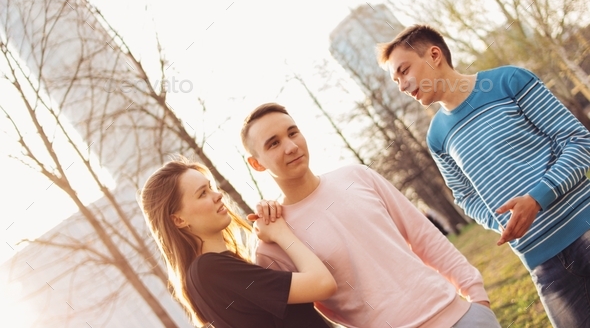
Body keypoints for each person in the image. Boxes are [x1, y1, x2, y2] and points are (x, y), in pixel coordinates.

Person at [377, 24, 590, 327]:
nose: (401, 85)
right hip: (543, 265)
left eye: (404, 70)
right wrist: (503, 221)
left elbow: (577, 141)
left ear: (434, 55)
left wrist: (537, 199)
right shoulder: (437, 137)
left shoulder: (509, 81)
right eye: (396, 79)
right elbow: (465, 196)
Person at [240, 103, 500, 328]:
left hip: (464, 317)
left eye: (293, 133)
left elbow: (423, 236)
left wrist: (477, 297)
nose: (291, 146)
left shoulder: (356, 176)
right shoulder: (272, 244)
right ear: (256, 163)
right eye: (273, 143)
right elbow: (306, 318)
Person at [138, 158, 337, 328]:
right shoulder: (210, 270)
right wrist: (281, 233)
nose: (218, 195)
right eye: (202, 194)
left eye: (211, 188)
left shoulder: (206, 274)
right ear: (179, 220)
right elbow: (323, 284)